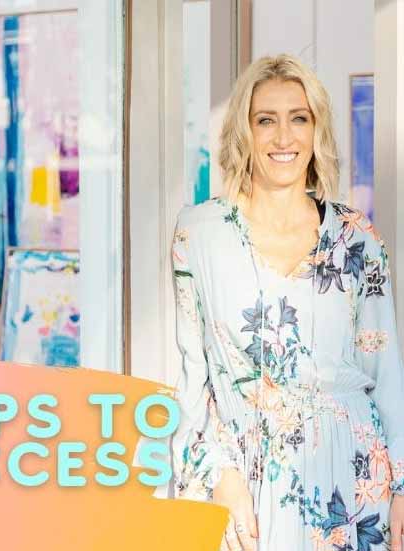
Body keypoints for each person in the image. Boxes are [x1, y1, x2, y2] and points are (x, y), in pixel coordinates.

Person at [171, 54, 404, 551]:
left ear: (316, 129)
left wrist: (402, 487)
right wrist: (218, 473)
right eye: (265, 120)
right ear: (244, 131)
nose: (283, 137)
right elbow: (195, 378)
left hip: (354, 485)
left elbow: (386, 377)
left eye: (299, 118)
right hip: (244, 484)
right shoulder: (200, 234)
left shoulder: (359, 239)